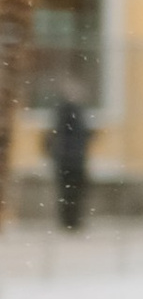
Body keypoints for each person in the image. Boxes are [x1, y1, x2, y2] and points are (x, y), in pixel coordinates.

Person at [48, 91, 92, 235]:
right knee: (73, 192)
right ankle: (72, 221)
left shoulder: (62, 114)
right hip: (74, 160)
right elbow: (81, 136)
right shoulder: (75, 114)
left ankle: (69, 221)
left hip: (66, 160)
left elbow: (53, 139)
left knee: (67, 192)